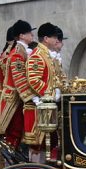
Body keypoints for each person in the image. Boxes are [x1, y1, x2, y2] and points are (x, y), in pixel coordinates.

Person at [0, 20, 36, 149]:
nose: (32, 35)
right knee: (14, 133)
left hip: (16, 98)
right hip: (13, 99)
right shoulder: (17, 53)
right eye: (29, 33)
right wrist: (32, 97)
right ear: (22, 36)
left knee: (17, 134)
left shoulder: (20, 51)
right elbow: (19, 79)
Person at [24, 23, 61, 161]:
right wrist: (50, 93)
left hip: (47, 105)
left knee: (49, 142)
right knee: (38, 144)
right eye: (54, 37)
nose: (56, 40)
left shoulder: (46, 55)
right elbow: (33, 79)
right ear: (46, 38)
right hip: (40, 107)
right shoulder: (37, 55)